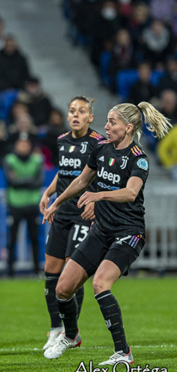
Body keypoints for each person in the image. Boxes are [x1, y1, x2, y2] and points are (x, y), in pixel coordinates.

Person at [42, 102, 172, 364]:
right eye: (108, 120)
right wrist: (56, 201)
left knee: (101, 284)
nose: (107, 126)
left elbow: (131, 192)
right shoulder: (100, 149)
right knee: (63, 289)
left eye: (112, 122)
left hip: (128, 233)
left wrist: (99, 196)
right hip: (101, 231)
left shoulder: (139, 159)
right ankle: (70, 335)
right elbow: (81, 181)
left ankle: (123, 353)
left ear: (128, 127)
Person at [38, 96, 105, 351]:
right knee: (51, 269)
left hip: (82, 214)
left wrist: (97, 202)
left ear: (91, 117)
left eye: (82, 111)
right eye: (72, 111)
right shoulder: (63, 141)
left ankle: (70, 330)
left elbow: (99, 176)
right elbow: (65, 172)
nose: (76, 115)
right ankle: (55, 328)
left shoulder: (99, 143)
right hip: (62, 212)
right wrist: (48, 192)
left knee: (71, 271)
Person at [2, 134, 44, 277]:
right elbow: (11, 181)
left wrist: (19, 180)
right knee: (12, 239)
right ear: (16, 146)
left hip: (32, 205)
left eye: (26, 144)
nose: (23, 147)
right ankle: (10, 272)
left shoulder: (37, 160)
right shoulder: (9, 160)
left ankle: (37, 270)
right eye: (21, 144)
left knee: (34, 239)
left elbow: (38, 183)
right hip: (15, 205)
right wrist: (29, 181)